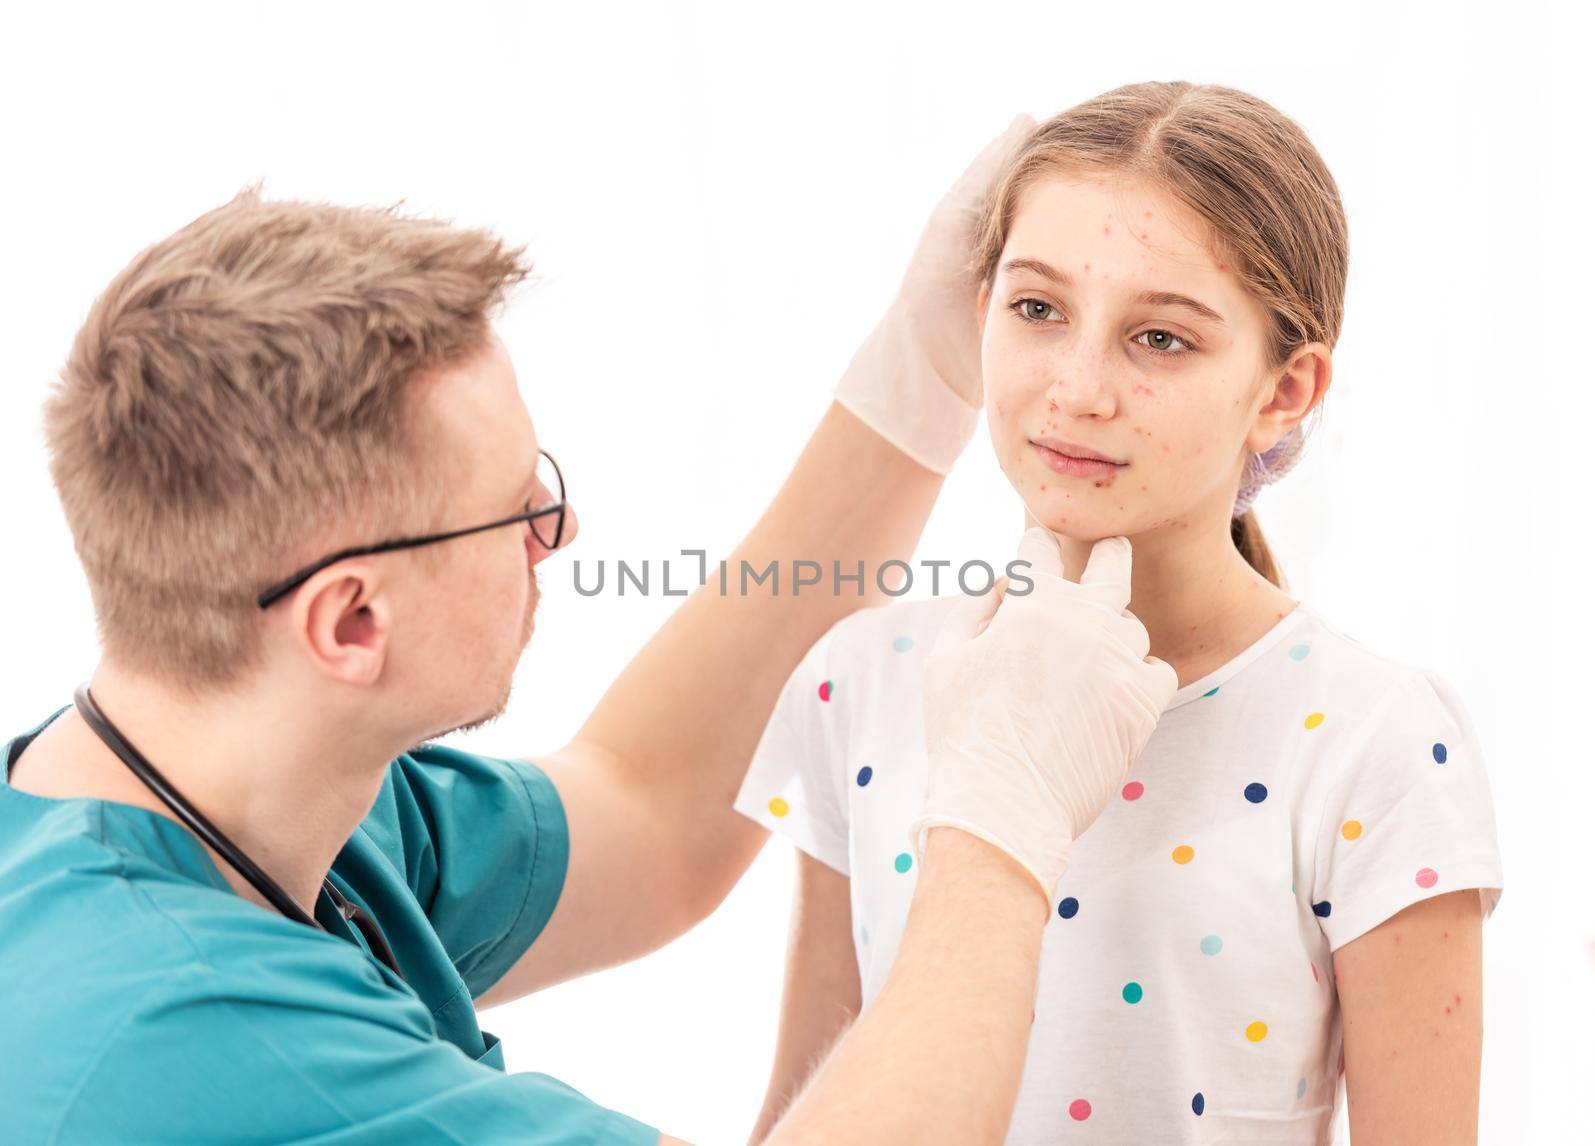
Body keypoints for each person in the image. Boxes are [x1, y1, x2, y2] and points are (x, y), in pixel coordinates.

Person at [0, 115, 1177, 1144]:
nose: (560, 532)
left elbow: (650, 812)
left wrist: (918, 378)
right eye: (517, 508)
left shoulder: (232, 788)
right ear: (351, 619)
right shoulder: (193, 1030)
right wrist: (1000, 821)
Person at [735, 83, 1505, 1145]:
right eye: (1038, 309)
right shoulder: (860, 678)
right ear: (979, 311)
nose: (1077, 389)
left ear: (1284, 391)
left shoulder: (1375, 739)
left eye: (1160, 340)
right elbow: (801, 1116)